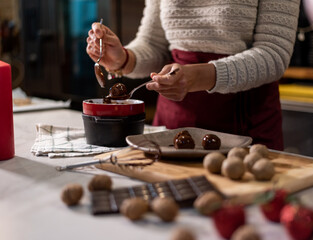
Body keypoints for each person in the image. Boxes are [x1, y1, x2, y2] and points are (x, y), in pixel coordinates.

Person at [86, 0, 301, 151]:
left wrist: (197, 77)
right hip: (173, 124)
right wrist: (123, 59)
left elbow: (274, 54)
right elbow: (154, 44)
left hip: (245, 125)